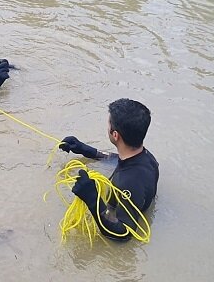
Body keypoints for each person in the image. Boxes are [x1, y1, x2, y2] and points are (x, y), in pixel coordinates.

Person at [59, 98, 159, 241]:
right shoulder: (147, 158)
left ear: (115, 135)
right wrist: (86, 150)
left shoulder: (127, 183)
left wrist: (92, 199)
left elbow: (124, 234)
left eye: (108, 123)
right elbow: (118, 159)